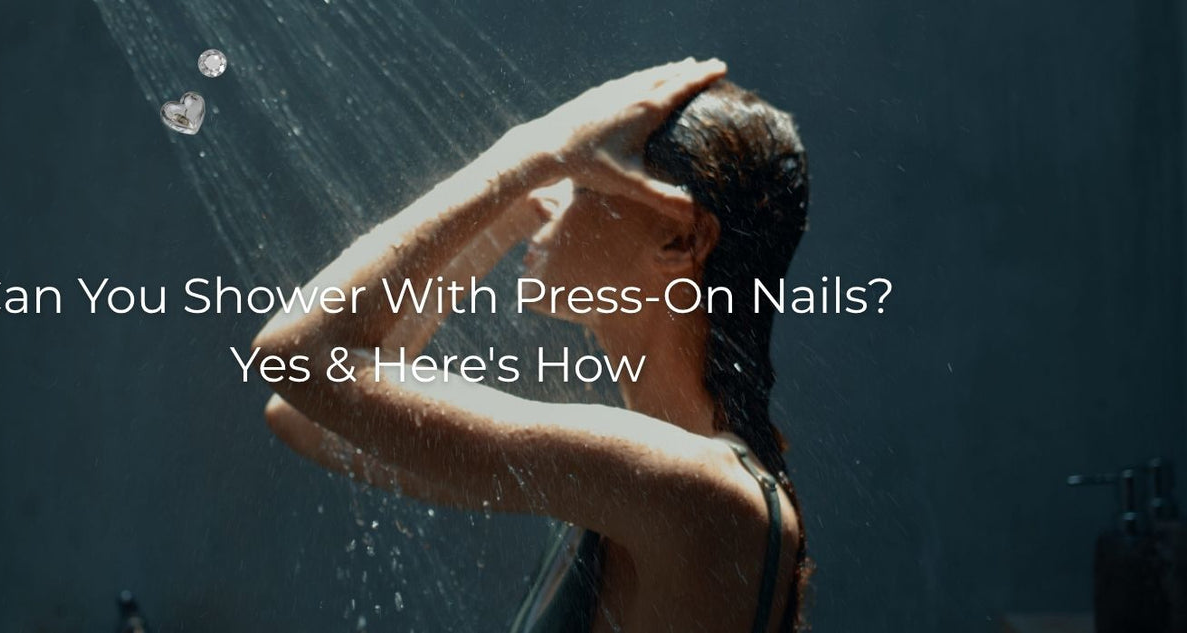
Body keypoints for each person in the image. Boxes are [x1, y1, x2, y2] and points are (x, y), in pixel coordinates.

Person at [252, 57, 810, 632]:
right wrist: (506, 213)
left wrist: (529, 151)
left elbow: (297, 356)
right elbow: (308, 418)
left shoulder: (698, 492)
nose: (554, 191)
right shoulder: (645, 489)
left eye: (584, 175)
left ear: (680, 238)